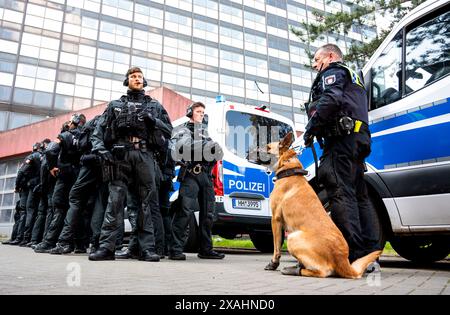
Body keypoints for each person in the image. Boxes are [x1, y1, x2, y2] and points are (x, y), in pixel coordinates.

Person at [303, 44, 382, 263]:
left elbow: (331, 100)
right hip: (358, 139)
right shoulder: (354, 77)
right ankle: (372, 255)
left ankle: (354, 256)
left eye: (317, 59)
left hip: (342, 140)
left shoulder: (334, 71)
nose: (315, 65)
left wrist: (311, 128)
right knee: (360, 196)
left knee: (340, 193)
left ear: (330, 56)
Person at [89, 66, 172, 261]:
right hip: (120, 156)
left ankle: (146, 249)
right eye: (133, 76)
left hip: (145, 156)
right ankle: (107, 248)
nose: (136, 79)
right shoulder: (114, 105)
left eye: (140, 76)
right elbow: (97, 133)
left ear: (144, 81)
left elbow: (169, 130)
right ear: (127, 81)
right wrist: (102, 151)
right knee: (114, 202)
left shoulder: (155, 106)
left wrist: (154, 121)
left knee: (145, 204)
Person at [169, 102, 224, 260]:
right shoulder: (184, 130)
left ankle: (206, 249)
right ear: (190, 113)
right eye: (198, 111)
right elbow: (184, 146)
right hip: (191, 175)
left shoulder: (205, 134)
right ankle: (175, 249)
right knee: (185, 211)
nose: (201, 114)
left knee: (208, 214)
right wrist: (207, 146)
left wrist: (213, 149)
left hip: (206, 176)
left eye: (203, 112)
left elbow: (217, 154)